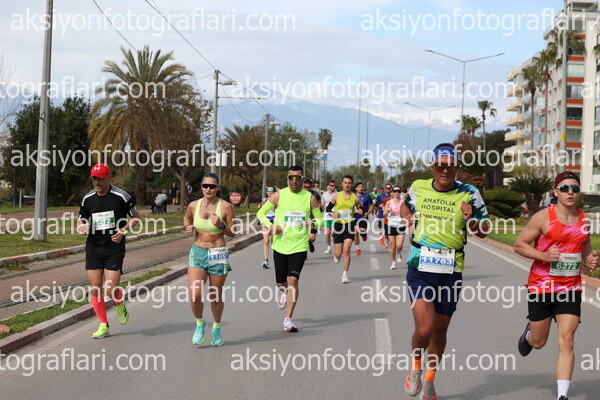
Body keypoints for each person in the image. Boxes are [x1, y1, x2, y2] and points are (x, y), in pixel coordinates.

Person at [401, 144, 489, 400]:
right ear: (433, 167)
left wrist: (472, 219)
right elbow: (405, 207)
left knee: (439, 332)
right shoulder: (419, 187)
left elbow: (484, 230)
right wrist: (408, 219)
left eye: (450, 166)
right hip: (421, 265)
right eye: (440, 165)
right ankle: (415, 369)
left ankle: (430, 379)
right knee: (424, 329)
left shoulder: (470, 193)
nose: (445, 170)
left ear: (456, 168)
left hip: (451, 270)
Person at [515, 171, 598, 400]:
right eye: (564, 188)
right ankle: (529, 335)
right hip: (541, 287)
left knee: (567, 339)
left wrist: (590, 259)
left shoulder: (585, 220)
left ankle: (562, 396)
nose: (570, 192)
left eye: (574, 188)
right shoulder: (542, 218)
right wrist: (543, 255)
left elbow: (585, 249)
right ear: (555, 192)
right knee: (539, 342)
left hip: (570, 288)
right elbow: (519, 245)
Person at [77, 163, 140, 339]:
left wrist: (123, 231)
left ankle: (119, 304)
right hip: (94, 247)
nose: (96, 182)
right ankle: (103, 324)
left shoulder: (121, 196)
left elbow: (136, 217)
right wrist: (81, 227)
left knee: (111, 288)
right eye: (94, 179)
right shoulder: (88, 198)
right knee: (95, 288)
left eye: (100, 178)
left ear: (108, 178)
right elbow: (81, 219)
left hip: (114, 247)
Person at [257, 166, 323, 332]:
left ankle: (288, 319)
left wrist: (312, 224)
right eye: (291, 177)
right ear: (287, 179)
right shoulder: (279, 195)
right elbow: (260, 214)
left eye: (298, 178)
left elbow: (321, 220)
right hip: (280, 245)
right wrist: (271, 226)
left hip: (300, 245)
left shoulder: (310, 198)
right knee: (281, 282)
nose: (294, 180)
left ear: (302, 179)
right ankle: (282, 291)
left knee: (293, 279)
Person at [183, 173, 235, 346]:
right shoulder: (193, 205)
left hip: (218, 252)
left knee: (215, 295)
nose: (208, 189)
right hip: (198, 251)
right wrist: (187, 226)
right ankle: (200, 323)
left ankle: (217, 328)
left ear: (217, 188)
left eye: (212, 186)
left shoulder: (226, 206)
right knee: (195, 294)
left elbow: (232, 233)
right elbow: (186, 218)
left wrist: (221, 224)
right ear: (201, 187)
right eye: (205, 185)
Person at [326, 175, 363, 283]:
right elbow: (328, 209)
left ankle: (345, 275)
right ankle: (336, 255)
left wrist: (361, 211)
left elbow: (361, 210)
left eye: (349, 183)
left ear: (352, 184)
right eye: (345, 182)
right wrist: (333, 214)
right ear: (342, 184)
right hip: (338, 225)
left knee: (347, 249)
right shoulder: (336, 196)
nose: (347, 185)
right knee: (338, 253)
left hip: (349, 225)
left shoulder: (355, 198)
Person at [383, 185, 407, 270]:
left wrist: (406, 220)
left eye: (398, 191)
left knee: (399, 245)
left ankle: (399, 252)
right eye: (395, 191)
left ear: (400, 192)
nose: (396, 193)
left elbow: (407, 213)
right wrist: (387, 211)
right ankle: (393, 263)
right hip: (391, 225)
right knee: (392, 246)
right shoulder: (389, 202)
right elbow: (384, 214)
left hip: (400, 226)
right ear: (392, 192)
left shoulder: (403, 202)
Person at [353, 182, 373, 255]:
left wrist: (368, 212)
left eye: (362, 187)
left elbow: (372, 205)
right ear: (356, 188)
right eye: (359, 187)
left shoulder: (367, 196)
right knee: (355, 233)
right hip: (354, 217)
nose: (361, 188)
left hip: (363, 217)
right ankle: (357, 248)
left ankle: (364, 235)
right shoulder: (352, 196)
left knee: (362, 231)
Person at [260, 186, 277, 269]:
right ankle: (266, 260)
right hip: (265, 221)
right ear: (266, 192)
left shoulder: (277, 200)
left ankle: (277, 259)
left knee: (274, 242)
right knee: (266, 241)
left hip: (274, 221)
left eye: (272, 190)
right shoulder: (264, 200)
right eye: (268, 190)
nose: (270, 192)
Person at [304, 178, 322, 253]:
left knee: (312, 238)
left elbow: (320, 203)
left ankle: (310, 242)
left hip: (313, 216)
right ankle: (303, 251)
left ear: (311, 186)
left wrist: (319, 209)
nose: (307, 189)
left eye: (308, 187)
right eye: (305, 187)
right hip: (304, 217)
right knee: (303, 236)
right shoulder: (301, 194)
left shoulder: (315, 194)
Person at [321, 180, 337, 254]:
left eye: (334, 185)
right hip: (326, 216)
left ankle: (336, 244)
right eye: (332, 185)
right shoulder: (324, 195)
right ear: (328, 186)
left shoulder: (337, 194)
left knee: (333, 233)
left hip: (334, 216)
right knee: (327, 233)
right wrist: (321, 205)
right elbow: (322, 204)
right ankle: (329, 247)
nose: (333, 187)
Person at [375, 184, 392, 248]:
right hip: (381, 215)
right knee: (381, 228)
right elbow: (378, 204)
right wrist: (384, 207)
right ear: (385, 189)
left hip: (389, 216)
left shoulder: (393, 196)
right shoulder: (380, 196)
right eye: (387, 188)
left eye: (389, 188)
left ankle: (386, 240)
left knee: (387, 230)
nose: (388, 189)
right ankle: (382, 238)